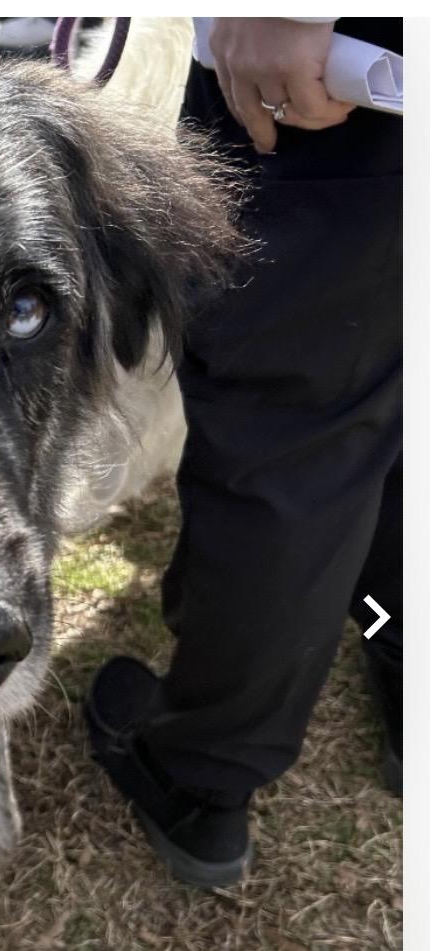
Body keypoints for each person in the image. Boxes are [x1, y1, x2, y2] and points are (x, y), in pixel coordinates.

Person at [85, 17, 403, 888]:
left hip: (338, 84)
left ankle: (201, 773)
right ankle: (402, 645)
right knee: (397, 399)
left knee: (290, 443)